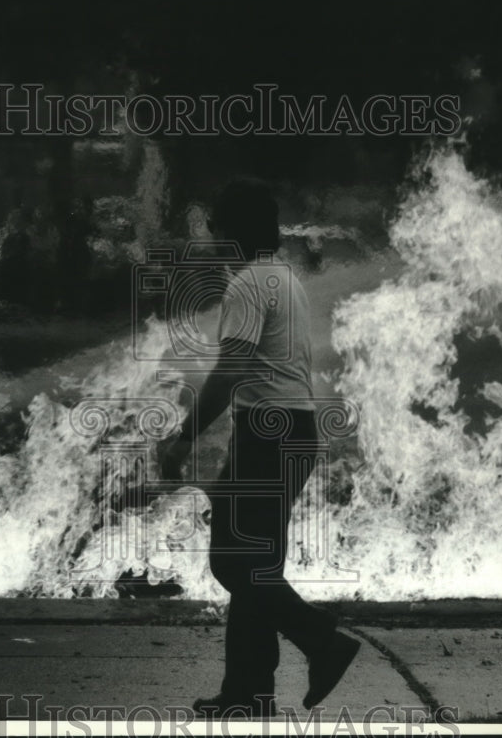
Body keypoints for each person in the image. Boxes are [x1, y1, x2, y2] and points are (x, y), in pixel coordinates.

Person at [158, 180, 360, 719]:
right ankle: (248, 694)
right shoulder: (285, 280)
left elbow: (231, 373)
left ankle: (322, 641)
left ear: (233, 235)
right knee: (258, 565)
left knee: (231, 559)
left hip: (267, 436)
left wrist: (182, 439)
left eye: (216, 232)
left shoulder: (247, 285)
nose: (211, 243)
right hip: (296, 430)